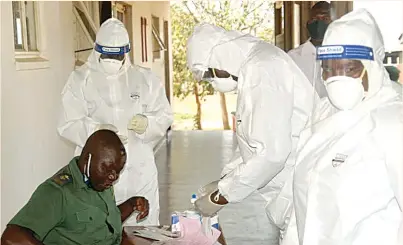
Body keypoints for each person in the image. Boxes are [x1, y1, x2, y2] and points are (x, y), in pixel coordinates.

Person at [186, 23, 316, 244]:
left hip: (300, 190)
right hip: (290, 191)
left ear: (220, 57)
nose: (212, 82)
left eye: (209, 74)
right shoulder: (255, 66)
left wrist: (221, 196)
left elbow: (272, 154)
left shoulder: (263, 69)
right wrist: (224, 179)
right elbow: (253, 142)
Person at [292, 9, 403, 245]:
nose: (336, 78)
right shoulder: (324, 112)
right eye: (328, 69)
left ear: (371, 65)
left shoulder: (395, 120)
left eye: (348, 68)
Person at [57, 18, 173, 226]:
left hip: (139, 170)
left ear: (126, 52)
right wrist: (96, 131)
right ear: (97, 50)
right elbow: (67, 123)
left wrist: (148, 123)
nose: (112, 59)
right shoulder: (80, 80)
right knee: (98, 229)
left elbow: (164, 115)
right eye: (108, 54)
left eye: (117, 55)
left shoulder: (144, 79)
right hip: (97, 173)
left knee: (143, 231)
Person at [1, 130, 150, 245]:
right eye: (107, 169)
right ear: (87, 159)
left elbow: (103, 222)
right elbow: (11, 238)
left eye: (118, 171)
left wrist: (131, 204)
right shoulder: (58, 192)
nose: (114, 177)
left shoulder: (100, 181)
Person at [288, 1, 333, 98]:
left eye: (325, 18)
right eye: (314, 18)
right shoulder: (292, 58)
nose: (319, 23)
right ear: (307, 23)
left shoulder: (342, 56)